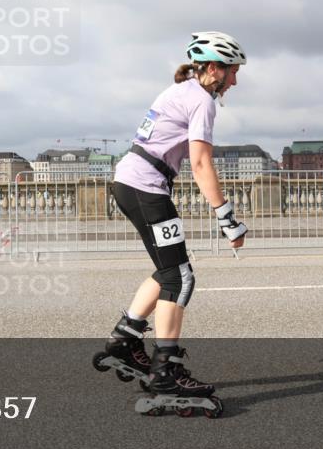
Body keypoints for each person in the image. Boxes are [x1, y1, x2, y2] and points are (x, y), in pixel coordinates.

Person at [105, 31, 248, 397]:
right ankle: (165, 370)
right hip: (147, 189)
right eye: (232, 72)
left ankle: (126, 338)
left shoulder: (178, 89)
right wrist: (227, 218)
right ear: (214, 69)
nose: (234, 80)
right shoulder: (202, 100)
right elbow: (201, 164)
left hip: (130, 182)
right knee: (180, 279)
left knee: (170, 269)